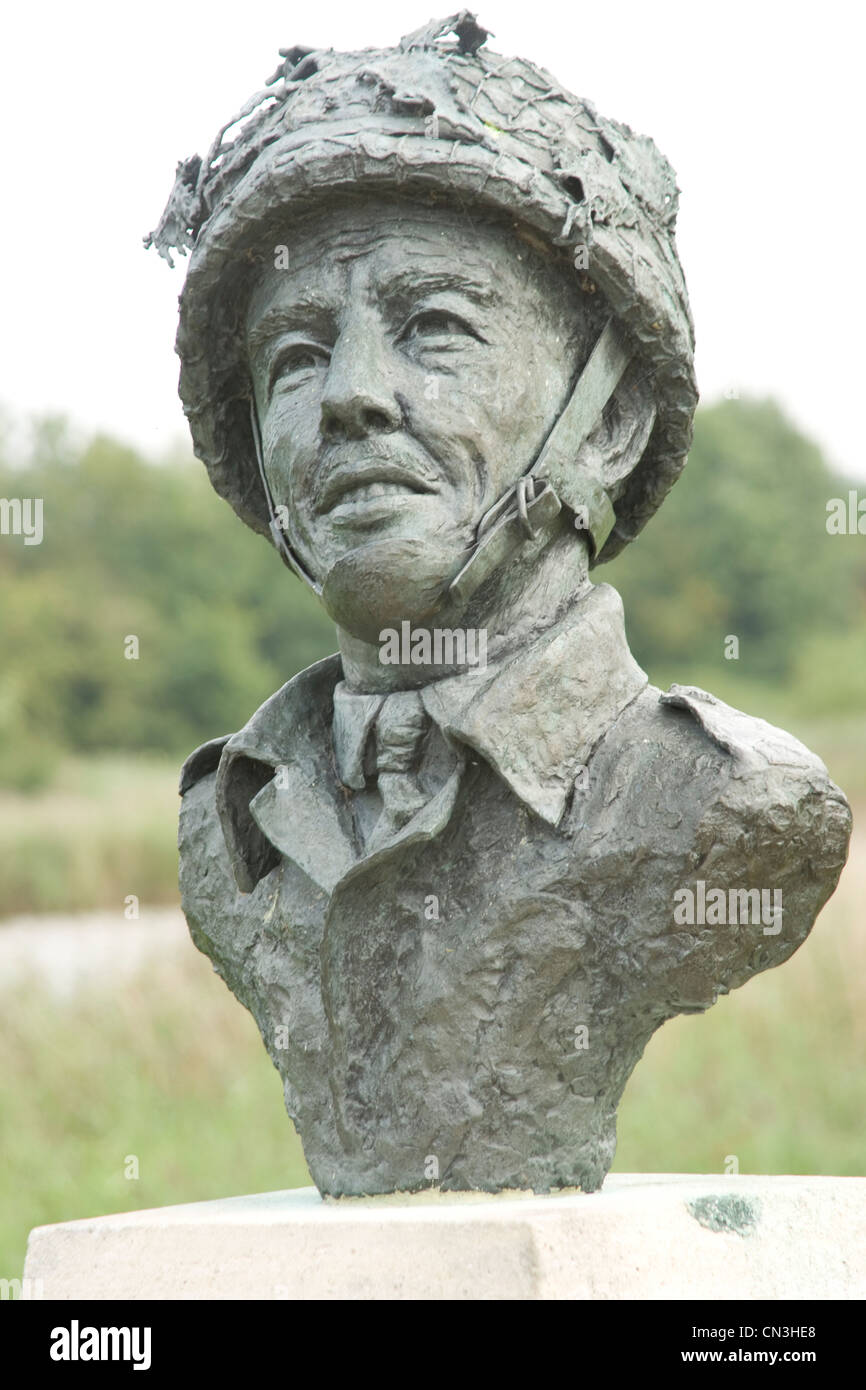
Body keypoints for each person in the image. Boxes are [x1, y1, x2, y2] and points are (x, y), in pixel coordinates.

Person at [150, 15, 851, 1195]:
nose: (351, 400)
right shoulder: (230, 825)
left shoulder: (725, 801)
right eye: (295, 354)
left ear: (610, 419)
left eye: (434, 328)